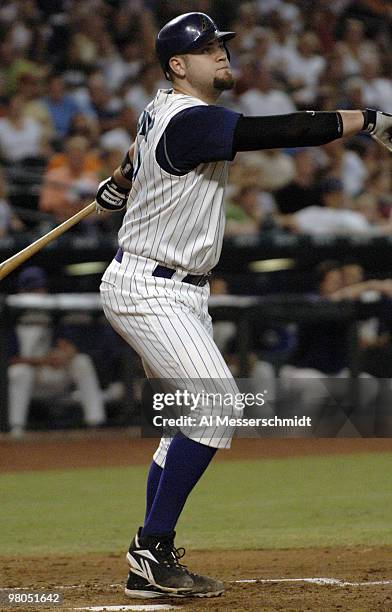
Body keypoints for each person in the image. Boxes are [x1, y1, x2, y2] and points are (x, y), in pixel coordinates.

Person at [94, 11, 392, 600]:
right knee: (216, 406)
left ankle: (146, 562)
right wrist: (367, 120)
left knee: (191, 418)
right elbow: (280, 131)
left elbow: (140, 144)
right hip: (151, 288)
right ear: (178, 65)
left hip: (172, 286)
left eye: (221, 45)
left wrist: (125, 181)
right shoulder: (192, 119)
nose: (222, 54)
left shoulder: (161, 107)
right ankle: (151, 550)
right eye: (208, 49)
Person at [8, 267, 105, 438]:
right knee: (20, 372)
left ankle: (95, 423)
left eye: (40, 288)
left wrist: (65, 354)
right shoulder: (10, 318)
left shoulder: (52, 315)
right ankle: (16, 429)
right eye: (33, 289)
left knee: (81, 361)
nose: (39, 293)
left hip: (52, 374)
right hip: (30, 378)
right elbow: (10, 360)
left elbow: (68, 345)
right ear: (21, 291)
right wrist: (42, 360)